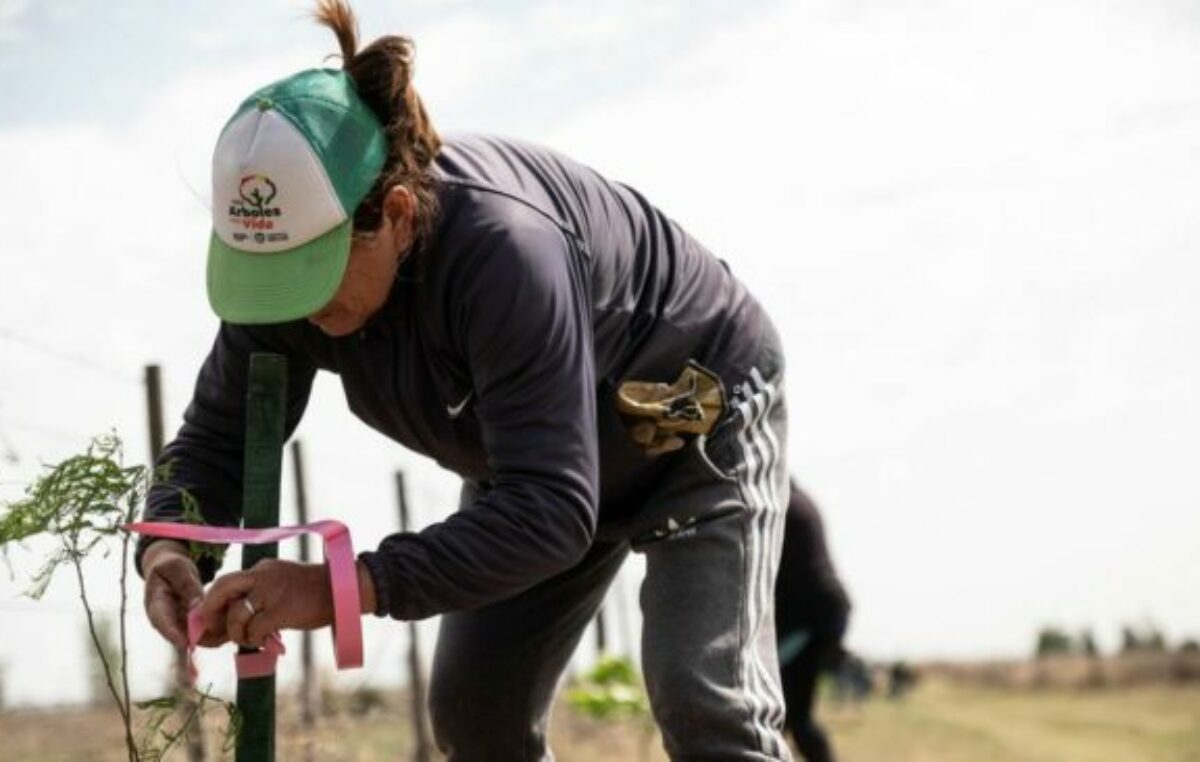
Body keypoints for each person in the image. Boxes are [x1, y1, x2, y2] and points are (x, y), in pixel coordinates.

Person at [136, 1, 793, 759]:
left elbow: (550, 507)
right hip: (535, 469)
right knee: (477, 717)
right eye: (273, 278)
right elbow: (216, 439)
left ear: (397, 214)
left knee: (705, 704)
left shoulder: (505, 255)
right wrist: (170, 548)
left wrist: (336, 589)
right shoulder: (285, 287)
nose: (299, 308)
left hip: (690, 415)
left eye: (312, 274)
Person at [774, 482, 851, 762]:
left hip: (809, 618)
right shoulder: (797, 500)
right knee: (788, 714)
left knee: (787, 713)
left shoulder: (783, 505)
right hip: (821, 614)